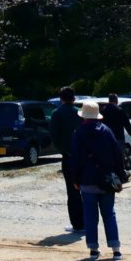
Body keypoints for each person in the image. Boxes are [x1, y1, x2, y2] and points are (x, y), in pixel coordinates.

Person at [70, 100, 124, 260]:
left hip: (87, 180)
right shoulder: (106, 131)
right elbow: (117, 155)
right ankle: (116, 249)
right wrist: (120, 176)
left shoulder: (78, 133)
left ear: (83, 116)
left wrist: (75, 179)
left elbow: (75, 159)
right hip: (106, 180)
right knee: (109, 214)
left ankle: (93, 250)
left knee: (90, 216)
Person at [49, 86, 84, 232]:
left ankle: (77, 224)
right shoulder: (80, 113)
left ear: (61, 99)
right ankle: (88, 221)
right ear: (74, 98)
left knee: (72, 191)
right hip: (83, 157)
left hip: (69, 157)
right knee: (86, 190)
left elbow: (54, 138)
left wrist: (63, 150)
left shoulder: (57, 113)